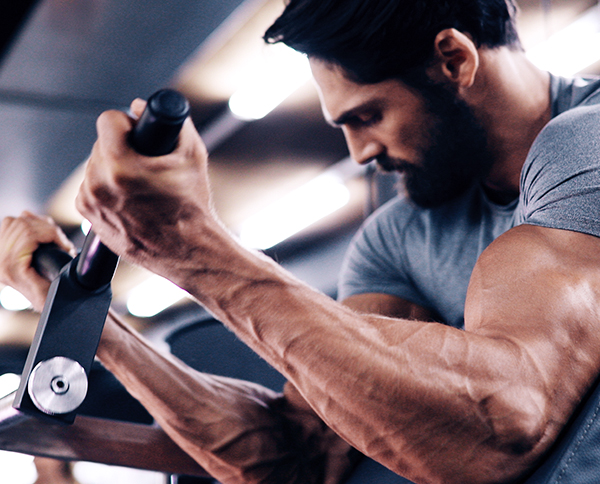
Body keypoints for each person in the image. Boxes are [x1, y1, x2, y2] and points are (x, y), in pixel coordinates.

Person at [1, 0, 600, 483]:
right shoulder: (399, 233)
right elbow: (301, 457)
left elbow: (502, 427)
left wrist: (196, 248)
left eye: (366, 116)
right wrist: (91, 327)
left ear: (453, 59)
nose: (361, 153)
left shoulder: (586, 140)